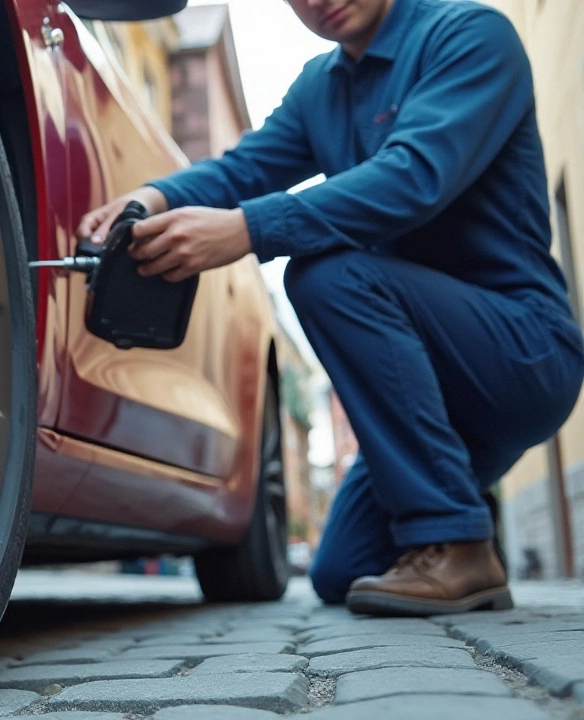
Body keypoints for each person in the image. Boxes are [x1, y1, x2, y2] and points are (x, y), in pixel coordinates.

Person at [78, 0, 584, 615]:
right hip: (428, 382)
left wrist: (247, 229)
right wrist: (153, 196)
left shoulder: (470, 36)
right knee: (341, 570)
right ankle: (458, 515)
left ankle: (456, 537)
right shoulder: (321, 85)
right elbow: (248, 167)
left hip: (521, 352)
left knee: (328, 275)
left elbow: (413, 177)